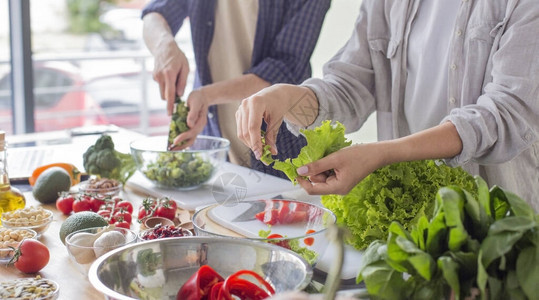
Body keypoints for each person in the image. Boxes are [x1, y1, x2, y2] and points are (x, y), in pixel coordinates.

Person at [236, 0, 539, 212]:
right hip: (413, 213)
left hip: (497, 220)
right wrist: (288, 98)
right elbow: (349, 87)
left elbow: (505, 113)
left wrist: (383, 153)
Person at [141, 0, 331, 179]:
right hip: (213, 139)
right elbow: (157, 11)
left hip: (280, 148)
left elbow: (284, 68)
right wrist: (163, 44)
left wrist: (206, 96)